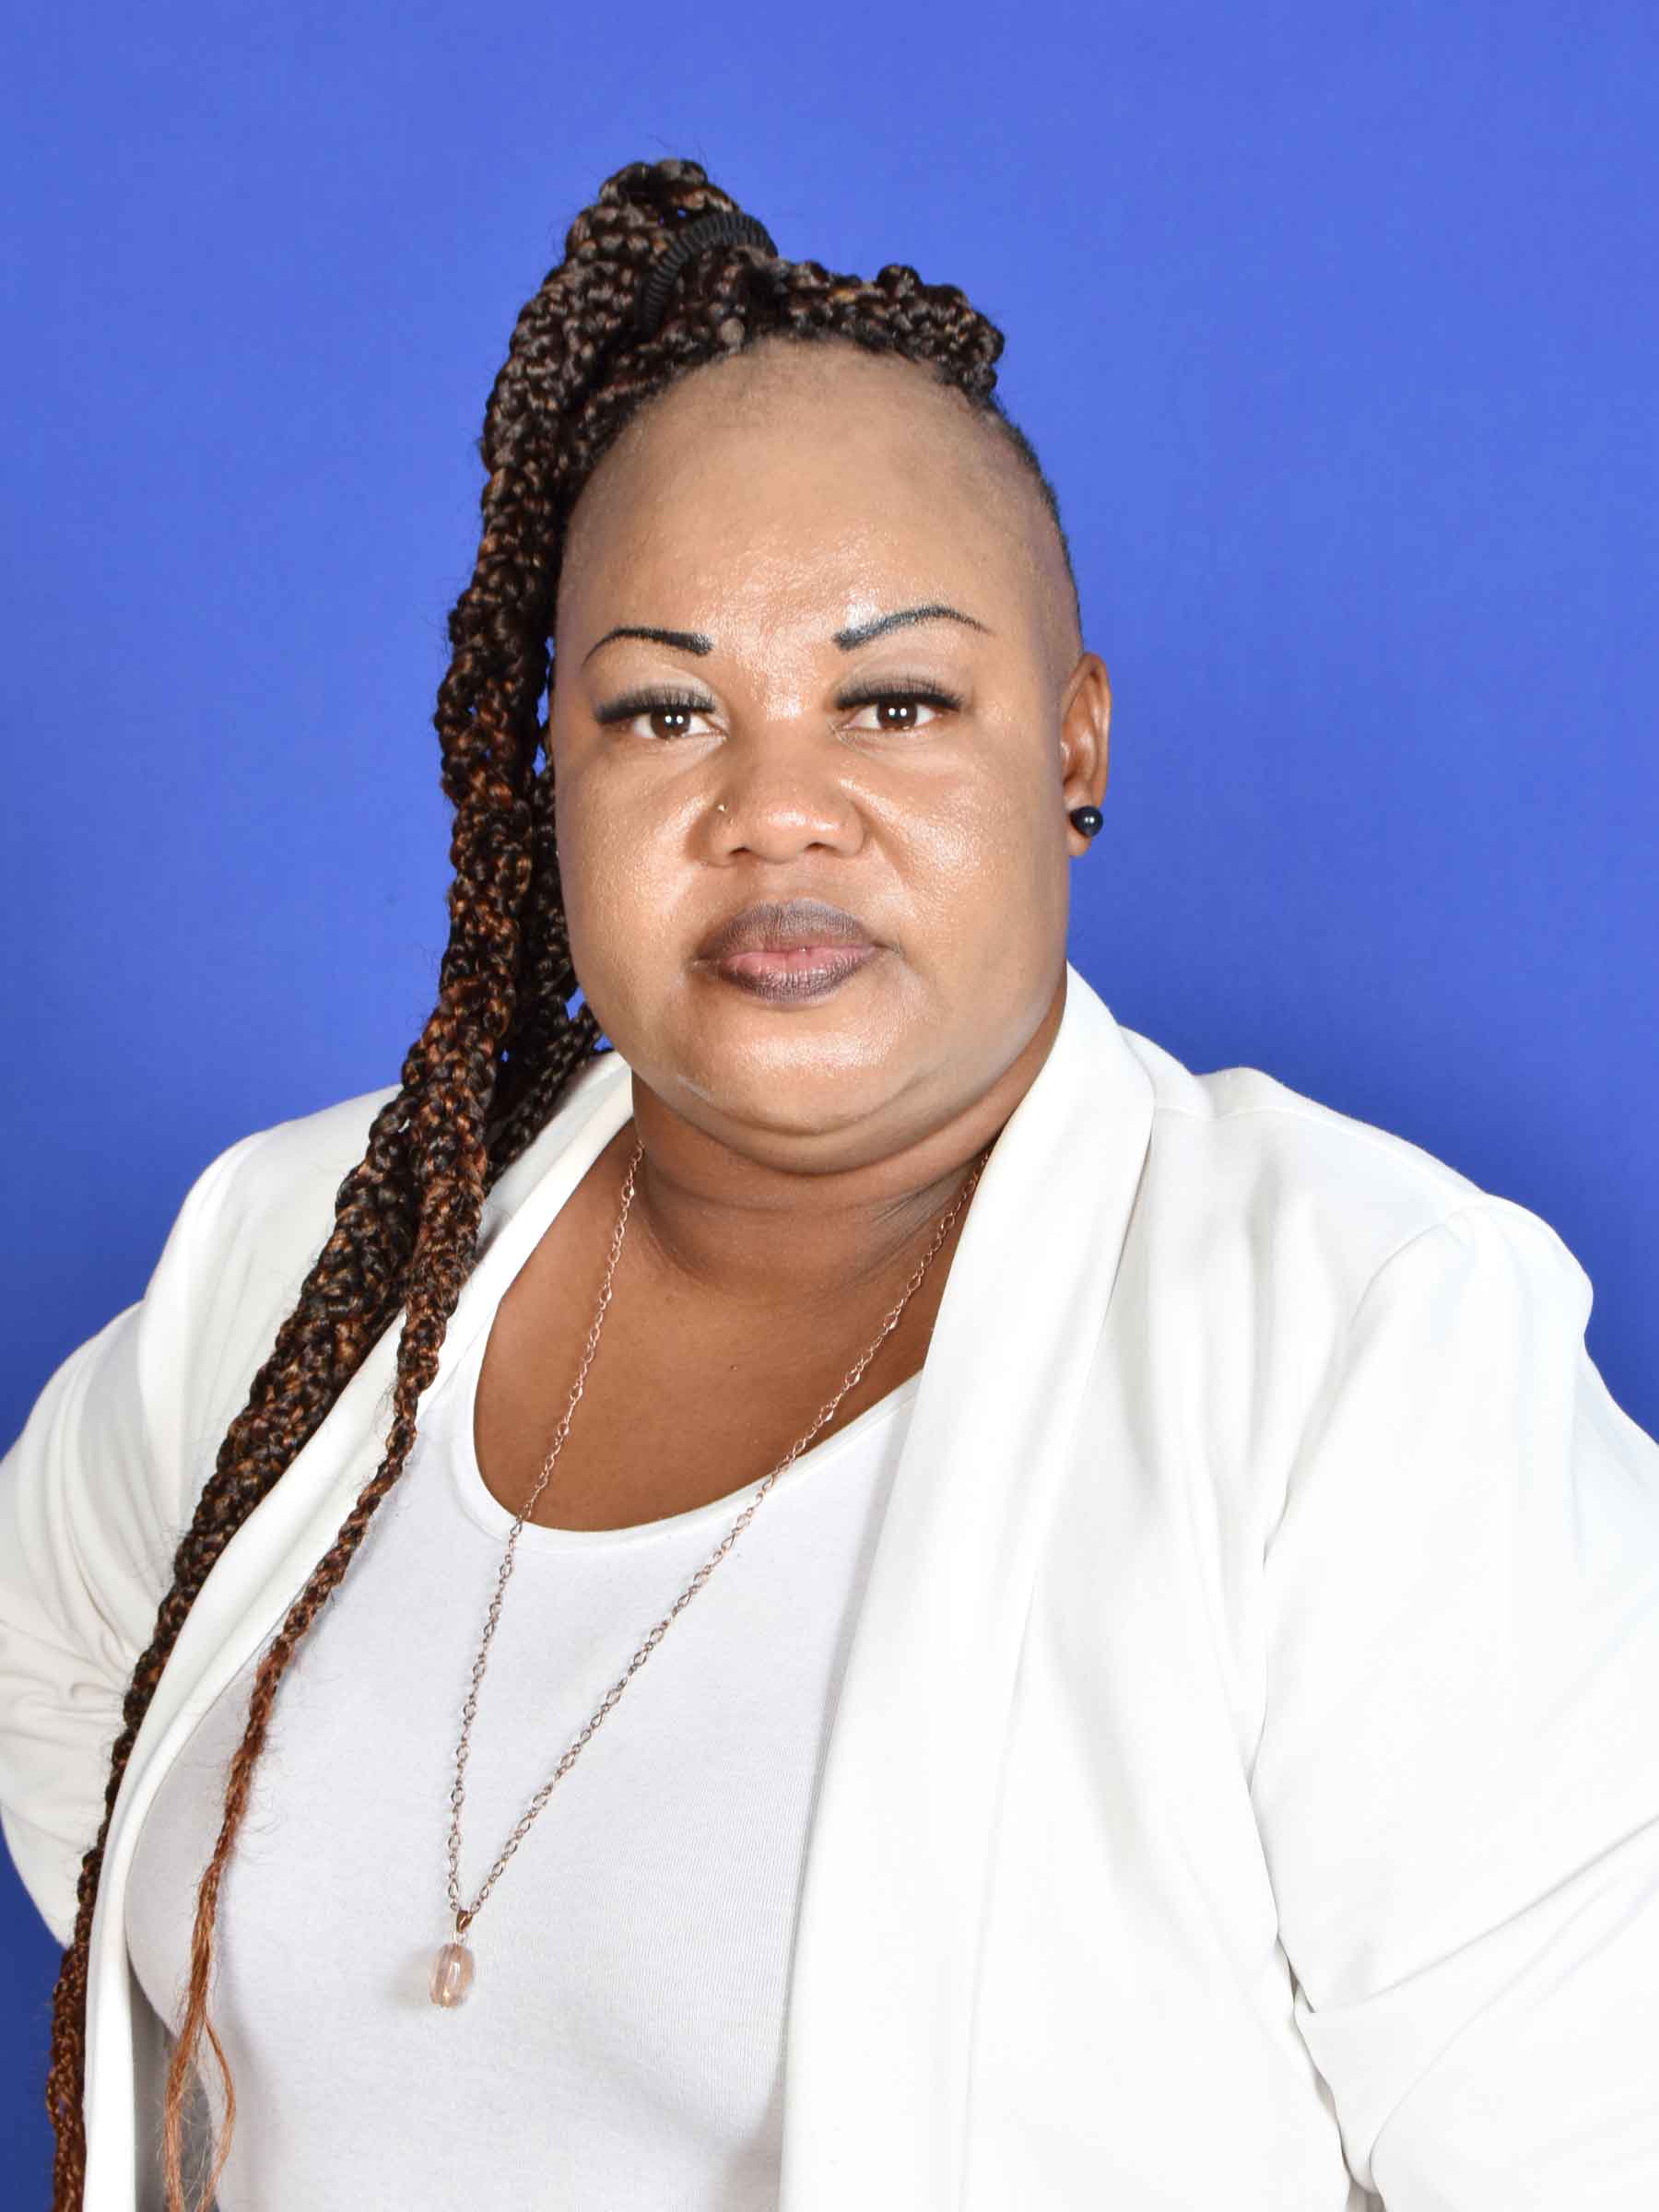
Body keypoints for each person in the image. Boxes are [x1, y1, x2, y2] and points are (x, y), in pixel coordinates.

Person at [2, 154, 1656, 2212]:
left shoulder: (1361, 1357)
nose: (776, 810)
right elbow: (61, 1676)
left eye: (895, 700)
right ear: (547, 768)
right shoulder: (313, 1253)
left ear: (1075, 747)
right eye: (663, 709)